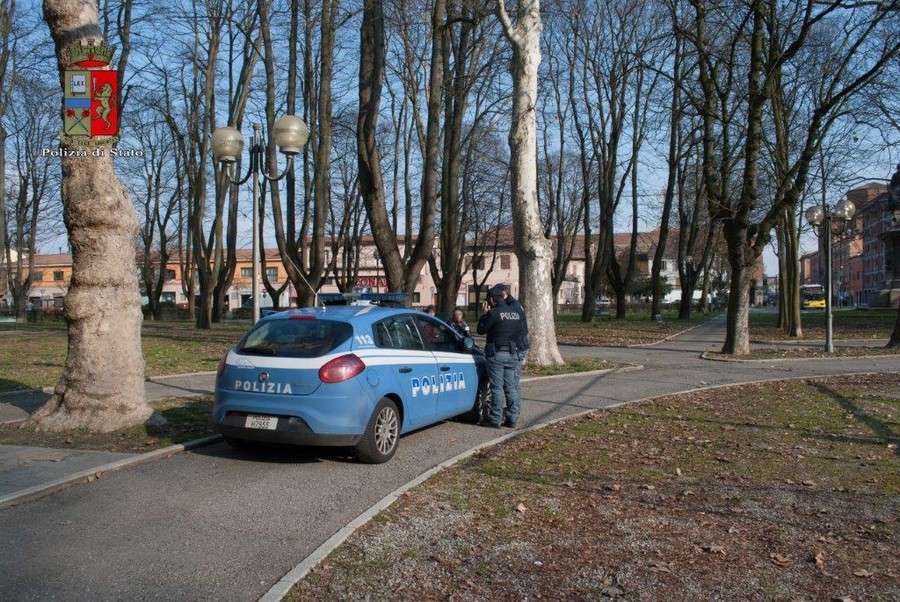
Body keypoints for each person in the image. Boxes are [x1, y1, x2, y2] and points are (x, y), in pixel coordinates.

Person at [477, 284, 525, 428]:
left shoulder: (494, 313)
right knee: (510, 387)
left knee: (496, 388)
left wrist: (485, 314)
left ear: (492, 299)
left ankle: (495, 418)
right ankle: (512, 418)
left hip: (497, 354)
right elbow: (521, 332)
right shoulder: (516, 313)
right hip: (513, 353)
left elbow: (481, 330)